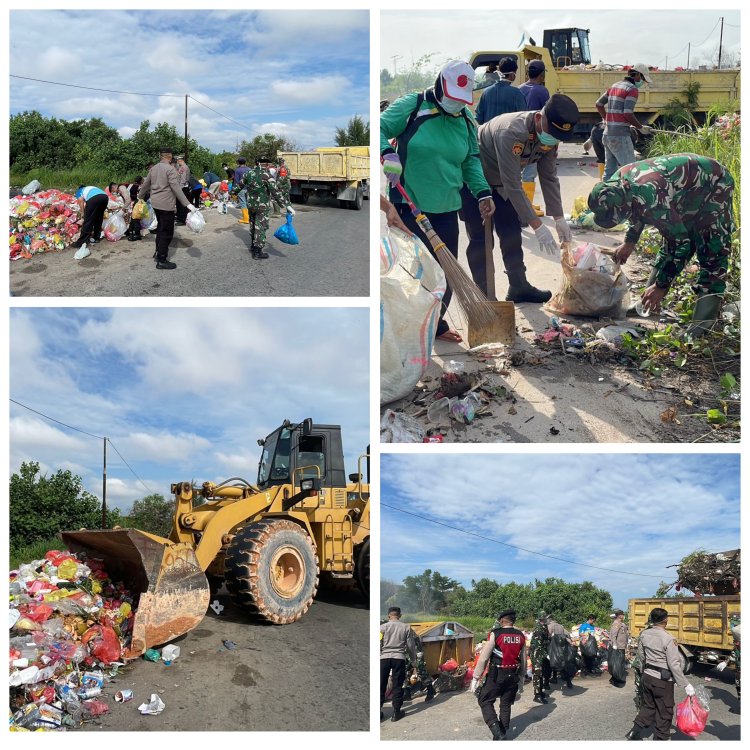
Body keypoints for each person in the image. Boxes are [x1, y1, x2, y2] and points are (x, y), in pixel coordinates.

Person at [380, 59, 495, 344]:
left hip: (445, 208)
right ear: (440, 86)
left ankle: (435, 323)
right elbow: (379, 128)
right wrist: (387, 152)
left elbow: (470, 160)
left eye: (462, 100)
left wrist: (482, 192)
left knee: (444, 276)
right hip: (409, 207)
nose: (457, 104)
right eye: (453, 98)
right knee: (411, 276)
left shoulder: (467, 119)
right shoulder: (414, 105)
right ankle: (405, 332)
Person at [587, 153, 735, 333]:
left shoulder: (651, 196)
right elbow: (636, 210)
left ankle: (701, 326)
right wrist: (629, 242)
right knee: (671, 242)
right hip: (683, 189)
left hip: (714, 182)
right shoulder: (617, 182)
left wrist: (661, 286)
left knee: (713, 250)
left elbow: (682, 244)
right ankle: (647, 302)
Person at [467, 94, 579, 301]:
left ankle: (518, 286)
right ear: (539, 118)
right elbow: (513, 183)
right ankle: (484, 296)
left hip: (502, 184)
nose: (554, 139)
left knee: (511, 233)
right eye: (552, 132)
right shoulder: (511, 132)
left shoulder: (550, 137)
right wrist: (537, 225)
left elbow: (549, 176)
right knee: (481, 239)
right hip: (475, 181)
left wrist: (558, 218)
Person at [626, 607, 695, 741]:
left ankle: (634, 732)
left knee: (649, 706)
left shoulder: (644, 634)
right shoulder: (668, 638)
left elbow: (641, 656)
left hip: (647, 676)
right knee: (665, 711)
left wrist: (644, 671)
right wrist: (685, 684)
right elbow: (674, 664)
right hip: (662, 680)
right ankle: (660, 739)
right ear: (666, 620)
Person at [137, 147, 197, 270]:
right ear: (169, 156)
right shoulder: (170, 169)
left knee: (160, 228)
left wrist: (140, 197)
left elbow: (145, 184)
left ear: (161, 156)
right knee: (167, 232)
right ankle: (162, 260)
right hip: (166, 205)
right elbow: (176, 188)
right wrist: (187, 204)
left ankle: (158, 251)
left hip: (156, 204)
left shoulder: (153, 168)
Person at [471, 609, 526, 741]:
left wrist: (475, 677)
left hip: (497, 675)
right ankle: (503, 730)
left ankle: (497, 731)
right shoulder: (521, 635)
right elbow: (523, 658)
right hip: (513, 675)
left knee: (484, 699)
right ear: (513, 620)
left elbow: (484, 657)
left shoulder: (496, 634)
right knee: (506, 703)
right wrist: (522, 678)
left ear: (502, 620)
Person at [596, 63, 654, 180]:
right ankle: (632, 198)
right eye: (643, 79)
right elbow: (627, 113)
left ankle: (605, 196)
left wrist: (606, 120)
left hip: (607, 135)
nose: (642, 82)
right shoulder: (632, 89)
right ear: (637, 75)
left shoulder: (615, 86)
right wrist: (640, 128)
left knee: (609, 173)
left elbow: (599, 104)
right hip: (620, 136)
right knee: (631, 172)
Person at [233, 157, 291, 259]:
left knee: (253, 225)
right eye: (267, 165)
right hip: (262, 206)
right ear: (265, 165)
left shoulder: (248, 174)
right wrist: (287, 206)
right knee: (261, 227)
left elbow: (238, 186)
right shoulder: (267, 176)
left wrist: (231, 193)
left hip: (250, 205)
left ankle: (253, 245)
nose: (268, 166)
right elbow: (276, 192)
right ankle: (257, 252)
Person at [518, 59, 550, 216]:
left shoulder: (519, 89)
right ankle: (527, 208)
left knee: (519, 171)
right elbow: (547, 116)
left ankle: (522, 204)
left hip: (518, 134)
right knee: (530, 172)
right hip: (534, 136)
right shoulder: (542, 91)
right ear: (542, 74)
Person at [380, 606, 418, 723]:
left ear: (388, 616)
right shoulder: (406, 627)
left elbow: (378, 643)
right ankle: (396, 713)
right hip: (399, 658)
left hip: (384, 658)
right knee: (397, 685)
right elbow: (411, 646)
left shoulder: (382, 627)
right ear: (400, 615)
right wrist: (414, 661)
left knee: (381, 684)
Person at [475, 57, 527, 126]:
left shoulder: (486, 92)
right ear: (512, 75)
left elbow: (479, 118)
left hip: (488, 135)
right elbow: (524, 119)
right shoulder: (517, 94)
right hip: (508, 136)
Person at [546, 614, 574, 689]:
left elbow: (548, 636)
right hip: (561, 648)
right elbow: (567, 634)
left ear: (549, 619)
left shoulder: (550, 626)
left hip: (553, 648)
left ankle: (566, 681)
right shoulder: (561, 626)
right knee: (561, 663)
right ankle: (565, 681)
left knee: (553, 662)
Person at [530, 611, 551, 704]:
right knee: (537, 674)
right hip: (537, 654)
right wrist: (549, 641)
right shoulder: (539, 628)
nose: (548, 619)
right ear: (542, 619)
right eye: (546, 618)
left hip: (541, 653)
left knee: (541, 674)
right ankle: (537, 695)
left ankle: (540, 691)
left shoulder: (544, 627)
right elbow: (539, 644)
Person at [610, 608, 630, 687]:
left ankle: (618, 677)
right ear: (619, 616)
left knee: (620, 663)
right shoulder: (616, 624)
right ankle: (617, 679)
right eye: (622, 615)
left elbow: (625, 635)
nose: (623, 616)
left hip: (622, 646)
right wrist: (614, 644)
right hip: (618, 647)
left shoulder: (621, 623)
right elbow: (613, 635)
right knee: (617, 664)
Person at [233, 157, 251, 225]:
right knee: (248, 202)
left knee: (243, 203)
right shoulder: (249, 169)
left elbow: (236, 181)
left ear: (238, 163)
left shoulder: (237, 170)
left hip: (241, 188)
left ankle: (246, 219)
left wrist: (235, 190)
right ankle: (250, 217)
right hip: (249, 188)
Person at [174, 155, 191, 224]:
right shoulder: (181, 167)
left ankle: (182, 219)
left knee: (182, 204)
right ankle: (179, 217)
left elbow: (183, 180)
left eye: (178, 161)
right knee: (179, 204)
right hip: (182, 187)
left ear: (180, 160)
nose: (177, 162)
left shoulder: (183, 167)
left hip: (183, 187)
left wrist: (179, 189)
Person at [126, 176, 144, 241]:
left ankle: (131, 232)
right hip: (138, 204)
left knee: (133, 219)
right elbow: (142, 196)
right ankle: (137, 234)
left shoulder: (131, 185)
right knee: (136, 219)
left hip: (132, 203)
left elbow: (130, 195)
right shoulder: (140, 187)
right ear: (141, 181)